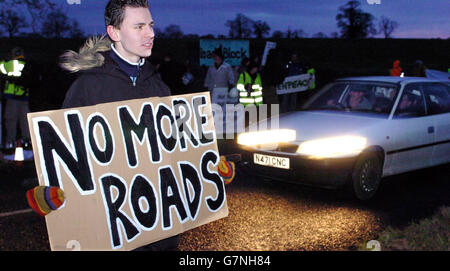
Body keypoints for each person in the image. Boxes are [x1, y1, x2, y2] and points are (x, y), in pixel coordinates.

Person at [59, 0, 179, 251]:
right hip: (112, 226)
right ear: (114, 32)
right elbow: (65, 156)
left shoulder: (159, 86)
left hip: (159, 226)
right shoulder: (88, 87)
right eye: (139, 27)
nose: (151, 34)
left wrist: (208, 168)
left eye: (151, 25)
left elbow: (175, 150)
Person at [0, 47, 33, 154]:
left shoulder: (10, 64)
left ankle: (10, 144)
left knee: (10, 120)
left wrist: (5, 59)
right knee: (25, 121)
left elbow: (1, 68)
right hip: (25, 97)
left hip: (12, 97)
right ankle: (27, 144)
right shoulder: (26, 64)